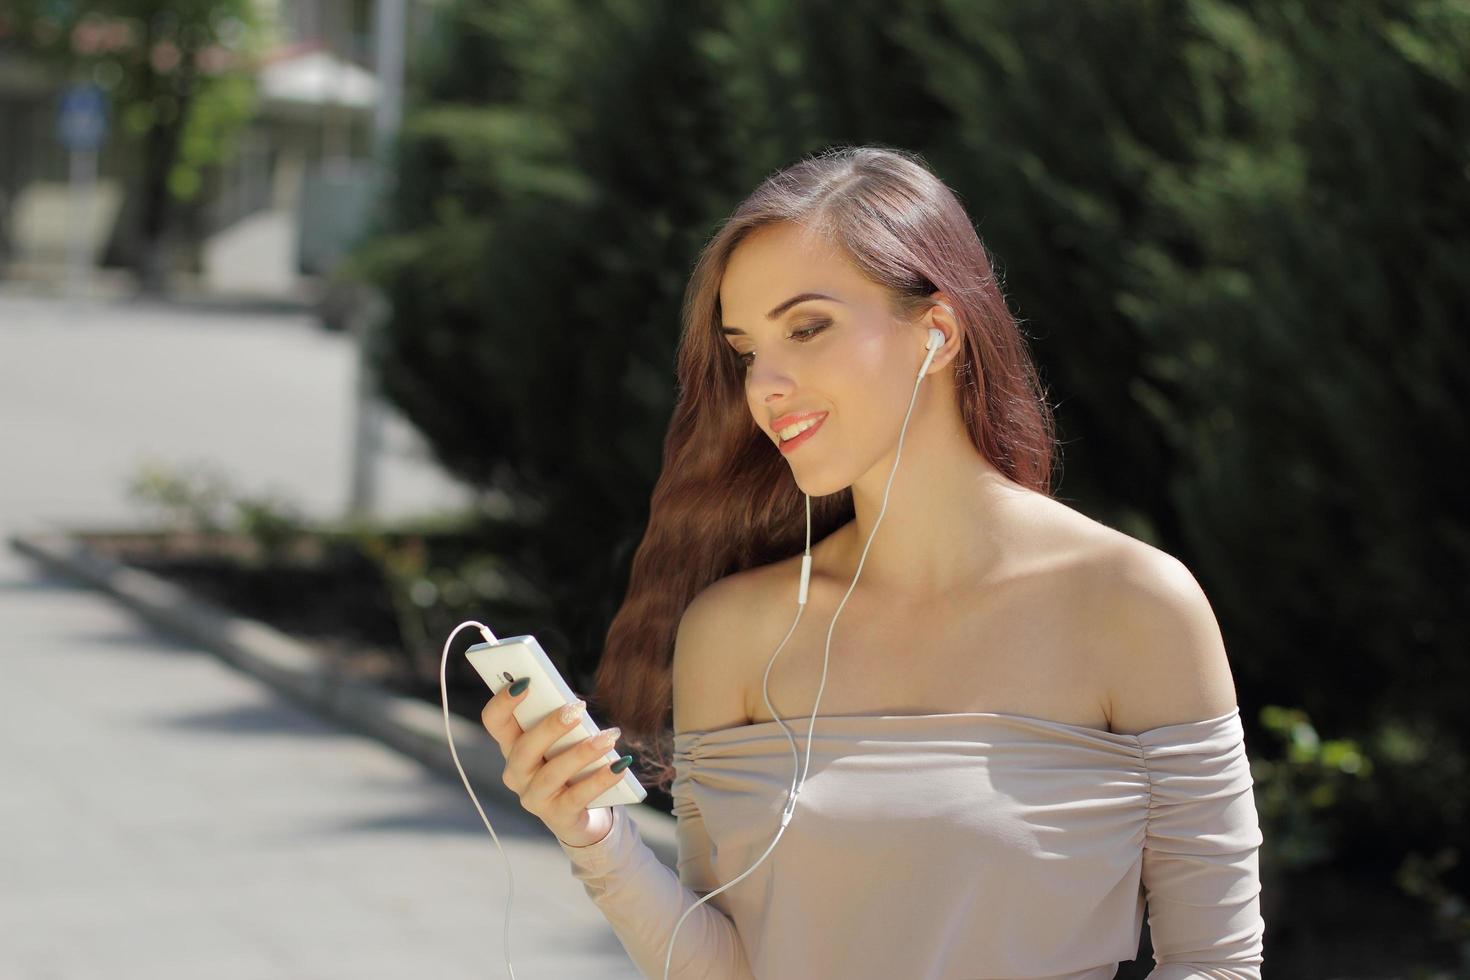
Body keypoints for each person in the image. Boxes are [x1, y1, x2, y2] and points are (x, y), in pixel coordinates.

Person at [480, 144, 1266, 979]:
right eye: (747, 350)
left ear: (937, 330)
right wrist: (594, 840)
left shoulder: (1133, 606)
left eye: (807, 328)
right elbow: (730, 966)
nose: (767, 385)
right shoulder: (735, 633)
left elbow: (1215, 964)